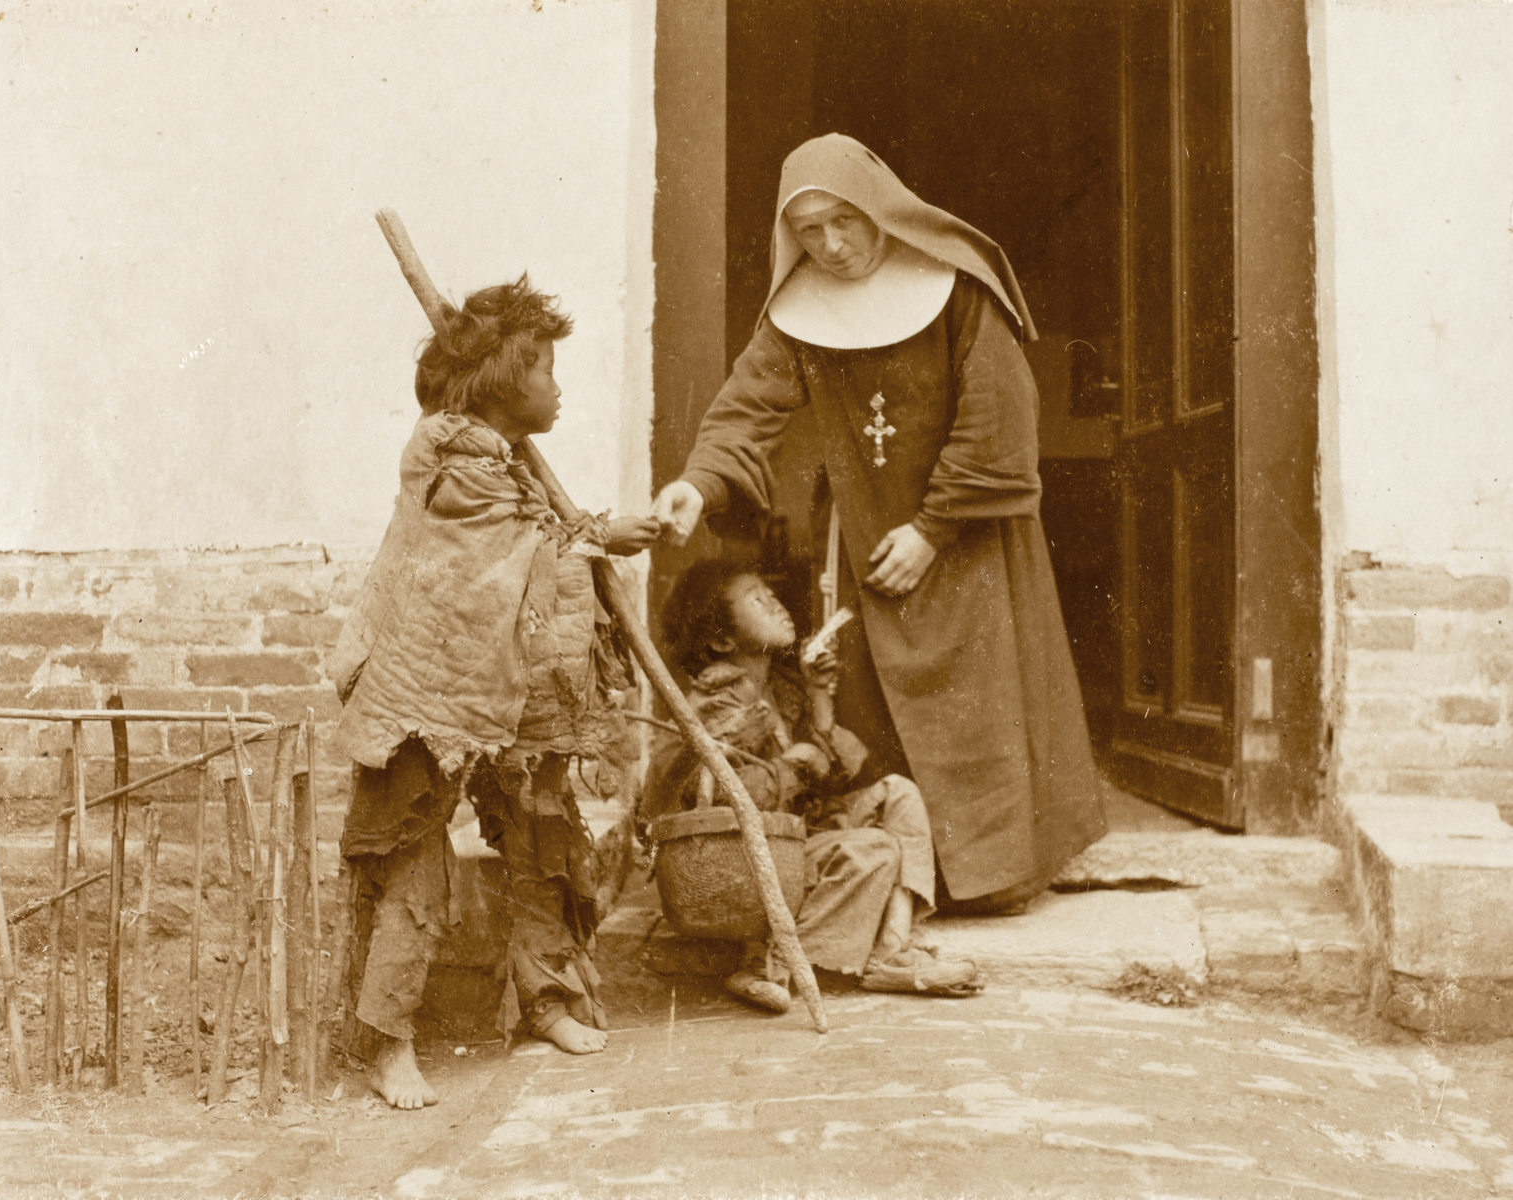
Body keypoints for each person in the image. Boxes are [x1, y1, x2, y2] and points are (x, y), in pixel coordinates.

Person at [651, 133, 1105, 913]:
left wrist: (931, 530)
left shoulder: (956, 288)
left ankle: (995, 879)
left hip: (967, 532)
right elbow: (746, 410)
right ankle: (908, 876)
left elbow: (999, 413)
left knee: (979, 698)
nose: (829, 246)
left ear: (877, 211)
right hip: (863, 537)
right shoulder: (798, 315)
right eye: (808, 231)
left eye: (844, 222)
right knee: (870, 702)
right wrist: (699, 483)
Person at [327, 275, 659, 1108]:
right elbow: (495, 560)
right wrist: (592, 535)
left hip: (510, 682)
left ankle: (544, 998)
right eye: (544, 368)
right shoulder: (449, 456)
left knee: (540, 829)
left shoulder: (504, 460)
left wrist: (573, 533)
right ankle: (388, 1041)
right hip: (431, 692)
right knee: (414, 859)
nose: (558, 384)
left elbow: (534, 544)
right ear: (506, 379)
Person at [644, 560, 979, 1010]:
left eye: (773, 595)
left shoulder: (781, 689)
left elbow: (841, 772)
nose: (777, 607)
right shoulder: (717, 700)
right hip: (738, 859)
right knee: (875, 850)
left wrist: (820, 696)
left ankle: (892, 952)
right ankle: (770, 963)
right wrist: (798, 765)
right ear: (723, 640)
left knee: (899, 793)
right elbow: (722, 798)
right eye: (757, 601)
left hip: (787, 840)